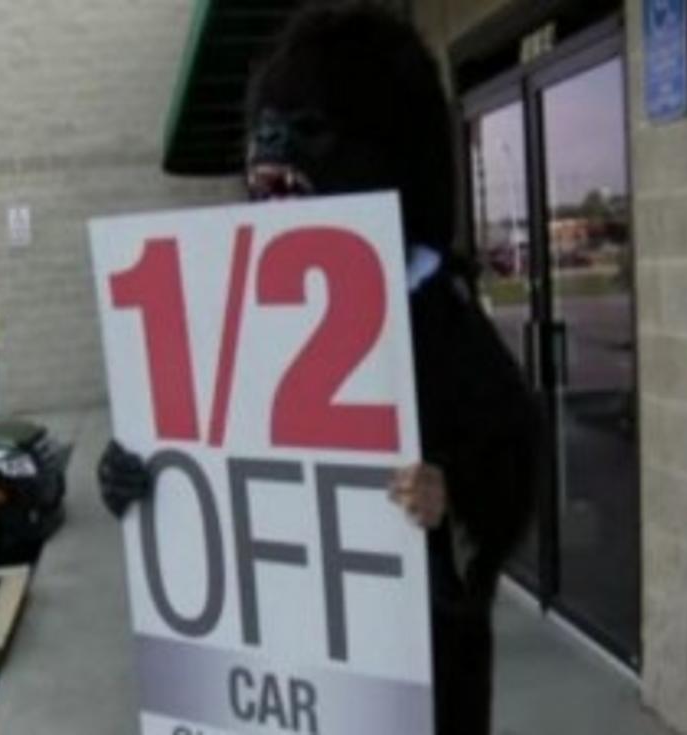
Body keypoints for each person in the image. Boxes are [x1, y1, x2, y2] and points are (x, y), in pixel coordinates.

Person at [100, 5, 541, 734]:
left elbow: (509, 461)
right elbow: (201, 461)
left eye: (309, 129)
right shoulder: (224, 313)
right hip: (287, 679)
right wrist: (139, 482)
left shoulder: (435, 310)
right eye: (265, 127)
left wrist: (453, 499)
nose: (269, 146)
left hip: (417, 685)